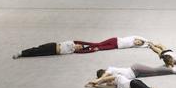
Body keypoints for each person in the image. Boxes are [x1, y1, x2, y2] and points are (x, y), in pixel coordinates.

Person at [12, 36, 149, 58]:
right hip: (54, 45)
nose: (77, 47)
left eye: (78, 47)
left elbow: (84, 51)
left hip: (54, 52)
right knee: (38, 48)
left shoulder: (72, 51)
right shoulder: (71, 43)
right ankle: (22, 52)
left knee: (38, 53)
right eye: (78, 46)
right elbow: (85, 43)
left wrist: (89, 51)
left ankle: (23, 54)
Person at [85, 72, 162, 88]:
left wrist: (94, 81)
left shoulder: (116, 76)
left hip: (133, 83)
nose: (107, 82)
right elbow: (104, 87)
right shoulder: (115, 85)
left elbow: (103, 79)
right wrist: (95, 86)